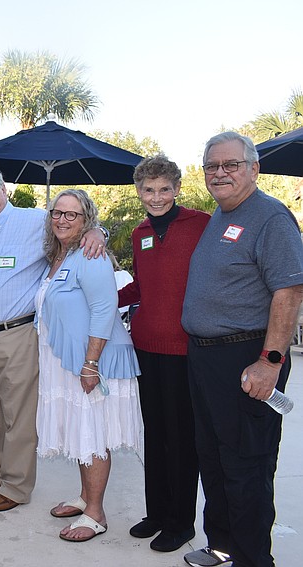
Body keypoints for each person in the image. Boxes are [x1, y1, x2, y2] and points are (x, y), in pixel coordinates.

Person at [181, 132, 303, 567]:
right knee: (213, 459)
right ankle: (222, 546)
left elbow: (288, 291)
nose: (220, 173)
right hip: (206, 360)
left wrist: (270, 362)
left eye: (230, 164)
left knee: (246, 465)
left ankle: (254, 559)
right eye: (212, 165)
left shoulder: (270, 217)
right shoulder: (218, 216)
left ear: (254, 168)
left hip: (248, 359)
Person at [0, 167, 107, 512]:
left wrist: (98, 231)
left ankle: (16, 485)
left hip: (16, 334)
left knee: (19, 414)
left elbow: (73, 222)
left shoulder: (34, 221)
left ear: (3, 188)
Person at [36, 189, 142, 542]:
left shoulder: (90, 255)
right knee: (81, 429)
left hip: (91, 361)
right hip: (67, 359)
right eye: (57, 213)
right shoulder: (60, 254)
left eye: (72, 215)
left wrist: (91, 363)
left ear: (86, 221)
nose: (62, 220)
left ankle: (96, 513)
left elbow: (103, 309)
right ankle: (85, 498)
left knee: (93, 433)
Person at [118, 155, 209, 553]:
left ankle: (181, 522)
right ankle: (157, 513)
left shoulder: (203, 224)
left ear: (177, 189)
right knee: (154, 434)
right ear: (139, 191)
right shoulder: (139, 233)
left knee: (181, 437)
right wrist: (99, 299)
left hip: (185, 348)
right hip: (145, 347)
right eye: (148, 190)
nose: (156, 197)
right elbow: (139, 286)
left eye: (164, 189)